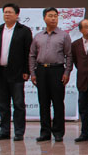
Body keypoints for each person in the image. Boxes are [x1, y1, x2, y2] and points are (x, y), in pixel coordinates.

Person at [0, 3, 33, 141]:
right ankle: (4, 131)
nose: (7, 14)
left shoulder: (24, 31)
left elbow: (28, 52)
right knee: (3, 104)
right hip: (0, 72)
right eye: (5, 12)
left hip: (17, 73)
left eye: (10, 12)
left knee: (18, 104)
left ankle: (19, 132)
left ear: (17, 14)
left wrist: (27, 70)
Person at [29, 7, 73, 142]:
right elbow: (32, 55)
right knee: (43, 102)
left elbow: (69, 55)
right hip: (41, 70)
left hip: (57, 70)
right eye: (50, 16)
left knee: (58, 102)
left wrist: (67, 72)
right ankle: (45, 132)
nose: (53, 18)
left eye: (55, 16)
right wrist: (32, 73)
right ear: (44, 18)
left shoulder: (64, 36)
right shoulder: (38, 36)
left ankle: (58, 132)